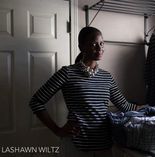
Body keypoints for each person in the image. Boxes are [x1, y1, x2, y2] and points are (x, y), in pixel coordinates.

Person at [29, 26, 142, 157]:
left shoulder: (107, 77)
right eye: (94, 44)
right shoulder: (67, 73)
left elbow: (126, 107)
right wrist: (57, 130)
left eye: (102, 43)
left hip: (104, 145)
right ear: (82, 47)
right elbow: (36, 101)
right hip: (77, 146)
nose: (100, 48)